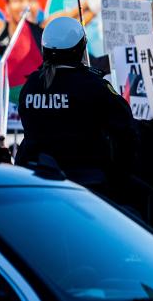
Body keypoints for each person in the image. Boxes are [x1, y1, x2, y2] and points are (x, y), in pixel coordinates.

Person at [15, 17, 136, 200]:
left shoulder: (31, 84)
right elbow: (126, 123)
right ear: (81, 48)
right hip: (86, 186)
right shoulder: (93, 85)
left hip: (34, 181)